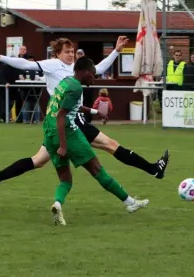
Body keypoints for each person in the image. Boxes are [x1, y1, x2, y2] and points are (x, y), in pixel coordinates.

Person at [0, 36, 169, 201]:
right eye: (67, 51)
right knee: (111, 145)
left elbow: (99, 68)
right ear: (57, 53)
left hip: (66, 119)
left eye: (72, 51)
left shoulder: (76, 68)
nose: (71, 54)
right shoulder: (52, 65)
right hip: (68, 120)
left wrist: (116, 51)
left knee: (38, 161)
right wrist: (0, 58)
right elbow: (26, 65)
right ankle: (152, 172)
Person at [45, 57, 148, 225]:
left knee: (65, 180)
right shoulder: (77, 87)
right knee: (97, 169)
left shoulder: (66, 82)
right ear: (85, 72)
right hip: (67, 133)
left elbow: (68, 106)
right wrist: (63, 145)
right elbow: (61, 115)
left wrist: (94, 111)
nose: (94, 79)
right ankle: (130, 203)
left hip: (48, 133)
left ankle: (57, 204)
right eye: (93, 75)